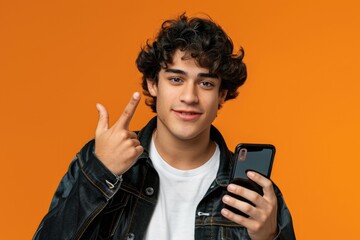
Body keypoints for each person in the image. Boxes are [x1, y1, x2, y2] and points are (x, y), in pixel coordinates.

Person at [33, 13, 295, 240]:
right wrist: (101, 173)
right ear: (153, 84)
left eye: (205, 83)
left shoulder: (253, 190)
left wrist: (270, 236)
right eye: (176, 79)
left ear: (222, 95)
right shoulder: (101, 158)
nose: (189, 97)